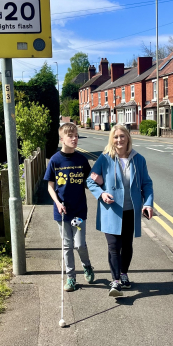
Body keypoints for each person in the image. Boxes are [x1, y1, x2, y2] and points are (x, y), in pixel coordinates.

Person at [87, 124, 153, 297]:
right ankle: (115, 281)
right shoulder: (104, 158)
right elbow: (91, 181)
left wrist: (148, 203)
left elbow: (147, 183)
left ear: (128, 138)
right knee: (114, 246)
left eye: (122, 136)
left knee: (127, 245)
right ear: (111, 139)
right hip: (111, 210)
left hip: (131, 210)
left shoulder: (139, 159)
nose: (119, 140)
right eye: (116, 137)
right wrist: (101, 194)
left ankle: (123, 273)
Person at [44, 123, 95, 292]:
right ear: (62, 139)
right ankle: (71, 278)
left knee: (79, 244)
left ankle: (87, 265)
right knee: (67, 245)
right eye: (70, 136)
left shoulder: (81, 160)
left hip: (78, 211)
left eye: (76, 135)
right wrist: (58, 203)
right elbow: (50, 186)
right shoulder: (55, 160)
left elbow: (90, 182)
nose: (74, 139)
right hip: (63, 213)